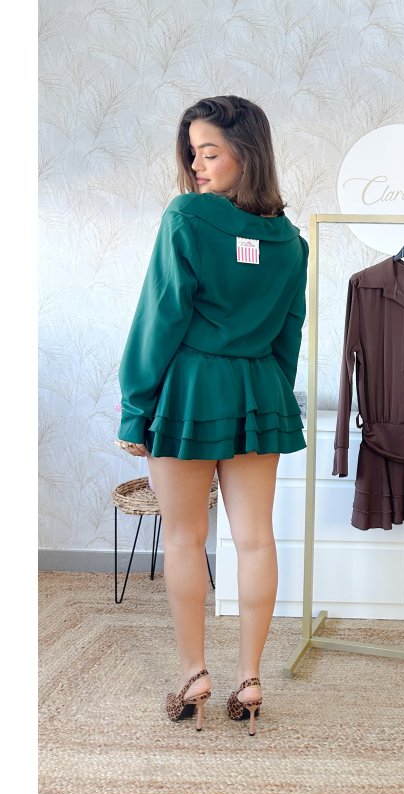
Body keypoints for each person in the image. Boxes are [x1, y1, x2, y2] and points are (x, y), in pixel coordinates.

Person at [115, 95, 308, 735]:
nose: (196, 166)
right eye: (193, 153)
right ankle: (249, 679)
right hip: (259, 391)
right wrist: (267, 399)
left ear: (245, 154)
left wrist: (136, 407)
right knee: (255, 538)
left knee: (183, 538)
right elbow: (288, 336)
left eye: (209, 152)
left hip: (191, 391)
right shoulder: (291, 241)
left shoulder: (187, 217)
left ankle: (194, 673)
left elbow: (161, 315)